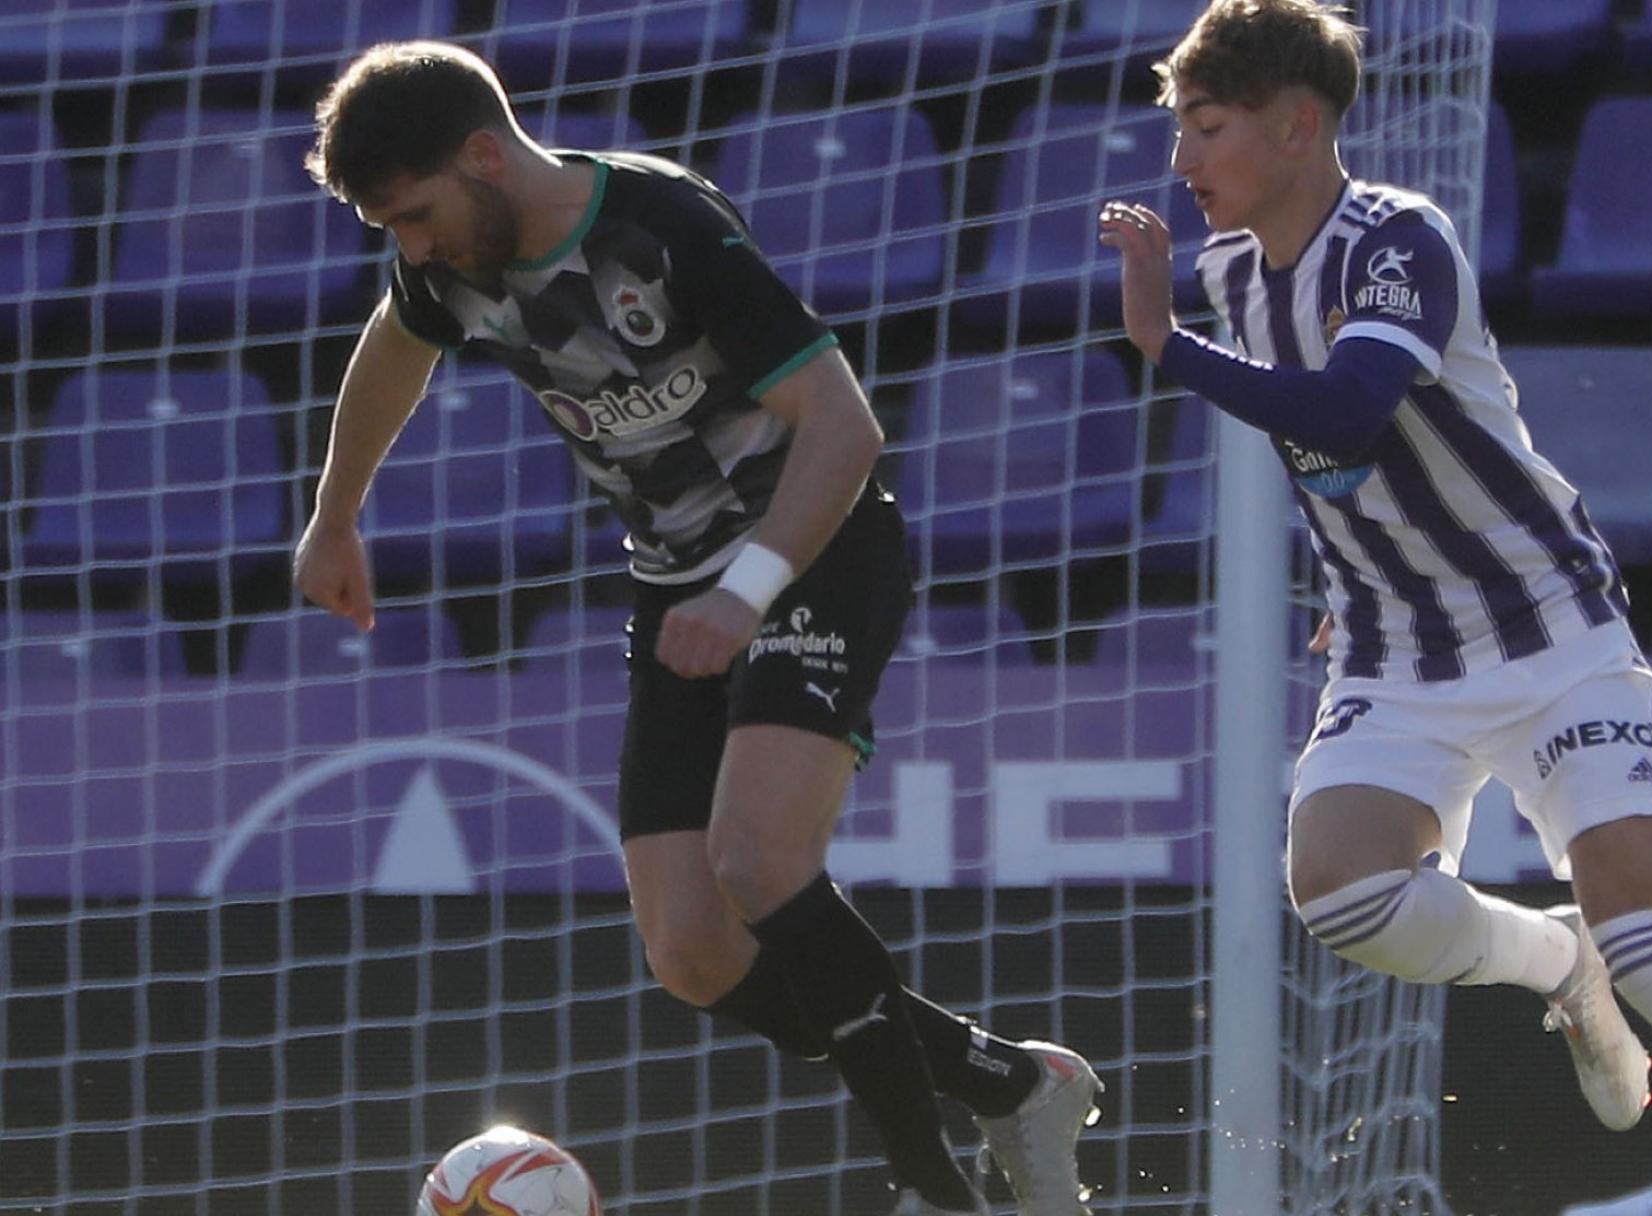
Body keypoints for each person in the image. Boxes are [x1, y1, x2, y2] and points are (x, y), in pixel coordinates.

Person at [295, 41, 1099, 1216]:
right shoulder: (450, 262)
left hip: (811, 547)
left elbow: (843, 424)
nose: (411, 247)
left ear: (482, 155)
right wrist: (335, 515)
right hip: (678, 582)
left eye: (415, 215)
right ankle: (1008, 1082)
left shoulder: (661, 226)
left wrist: (747, 589)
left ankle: (933, 1185)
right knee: (692, 949)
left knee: (760, 864)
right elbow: (395, 349)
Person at [1097, 4, 1652, 1214]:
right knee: (1339, 894)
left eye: (1206, 128)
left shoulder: (1396, 238)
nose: (1183, 164)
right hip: (1395, 643)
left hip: (1546, 622)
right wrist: (1355, 572)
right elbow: (1334, 469)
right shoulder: (1230, 271)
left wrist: (1162, 343)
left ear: (1297, 125)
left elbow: (1342, 413)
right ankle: (1553, 961)